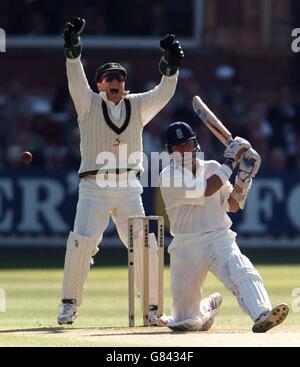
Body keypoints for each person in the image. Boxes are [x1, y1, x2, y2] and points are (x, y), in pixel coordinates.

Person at [57, 17, 184, 325]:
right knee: (81, 243)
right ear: (100, 85)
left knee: (146, 247)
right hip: (94, 187)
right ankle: (69, 304)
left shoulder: (137, 105)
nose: (116, 82)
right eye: (109, 78)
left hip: (129, 188)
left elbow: (163, 93)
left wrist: (170, 67)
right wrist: (73, 49)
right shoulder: (87, 104)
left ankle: (152, 310)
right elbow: (76, 77)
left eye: (120, 78)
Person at [158, 121, 289, 332]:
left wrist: (245, 177)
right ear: (170, 151)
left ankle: (262, 313)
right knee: (185, 322)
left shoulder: (211, 167)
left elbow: (233, 204)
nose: (185, 150)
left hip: (217, 236)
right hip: (186, 246)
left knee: (240, 267)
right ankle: (207, 307)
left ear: (196, 144)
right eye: (179, 146)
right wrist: (231, 161)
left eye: (189, 144)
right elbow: (207, 189)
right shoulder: (168, 176)